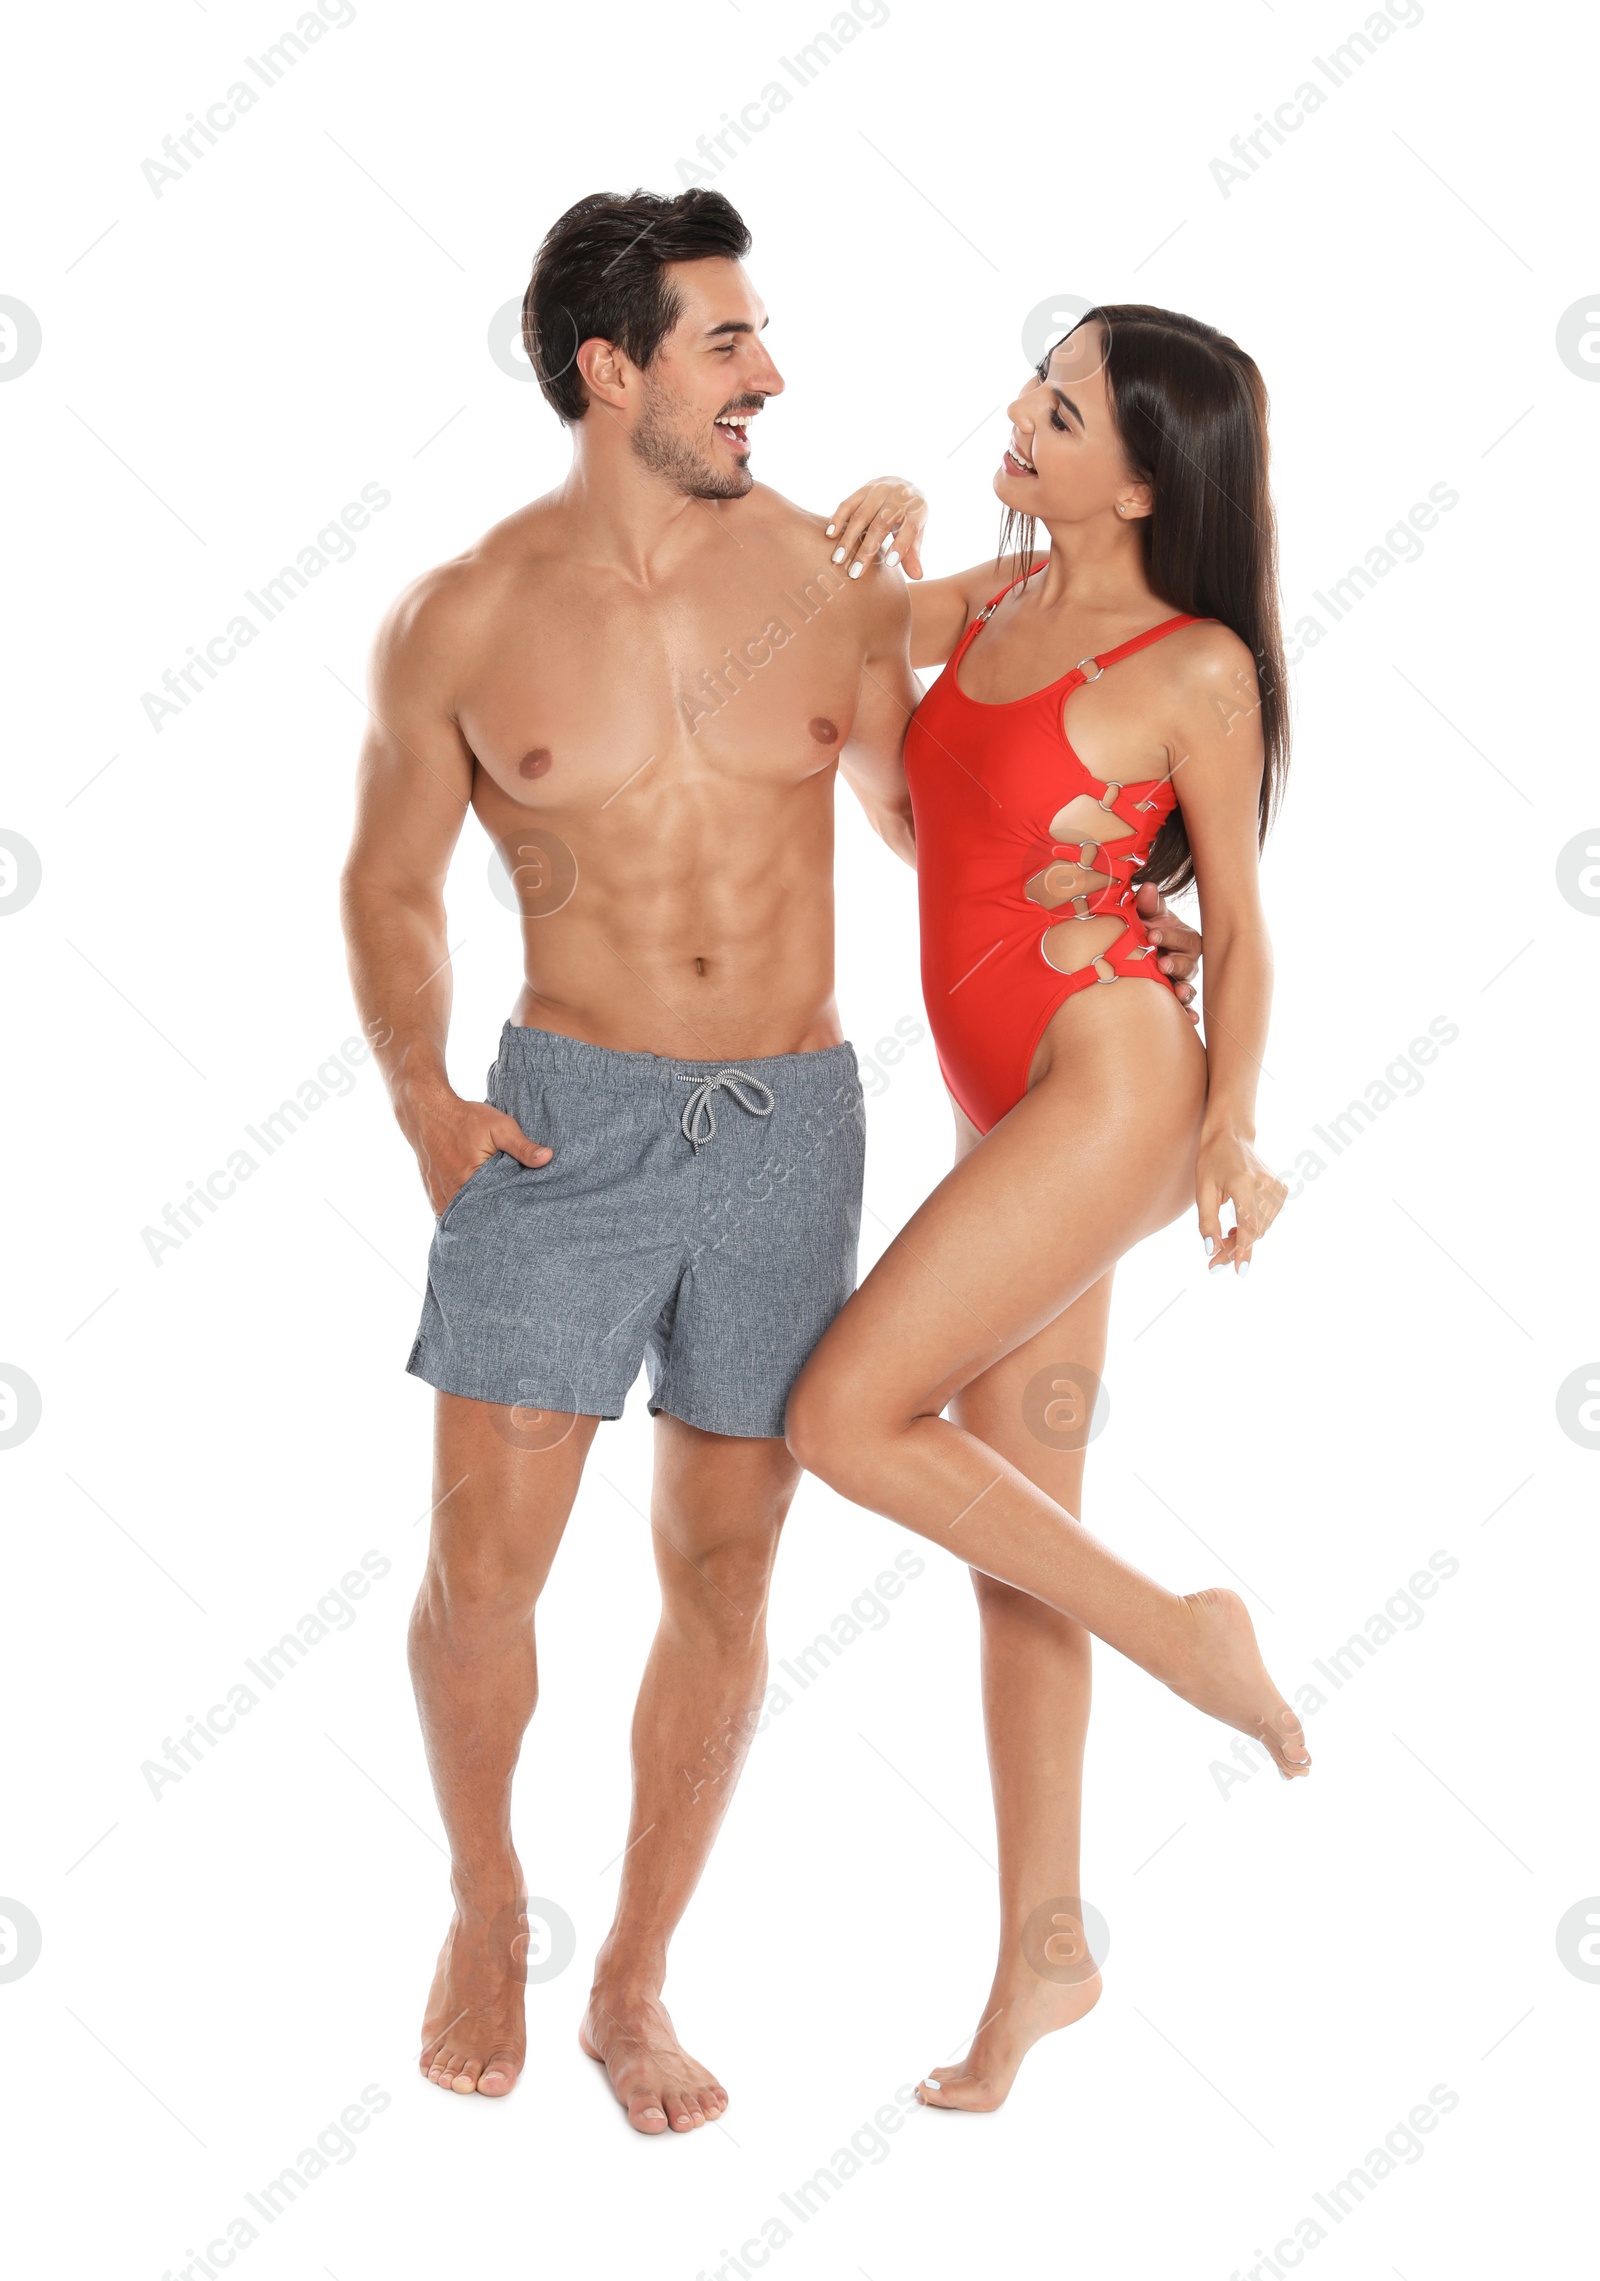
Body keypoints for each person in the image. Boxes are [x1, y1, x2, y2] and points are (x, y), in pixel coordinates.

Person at [340, 185, 1209, 2132]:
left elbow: (941, 814)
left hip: (784, 1127)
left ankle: (631, 1982)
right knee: (485, 1572)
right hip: (564, 1114)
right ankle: (489, 1902)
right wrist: (419, 1097)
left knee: (722, 1574)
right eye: (726, 344)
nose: (771, 374)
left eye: (760, 338)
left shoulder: (824, 580)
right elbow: (387, 885)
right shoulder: (462, 615)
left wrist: (1107, 903)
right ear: (608, 366)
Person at [787, 305, 1310, 2113]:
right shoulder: (990, 607)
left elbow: (1235, 928)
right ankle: (1047, 1952)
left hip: (1112, 1082)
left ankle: (1188, 1636)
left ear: (1147, 476)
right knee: (1015, 1522)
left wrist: (1230, 1122)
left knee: (844, 1414)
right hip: (996, 1088)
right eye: (1036, 381)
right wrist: (853, 541)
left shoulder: (1197, 668)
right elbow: (857, 709)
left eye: (1062, 405)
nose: (1017, 411)